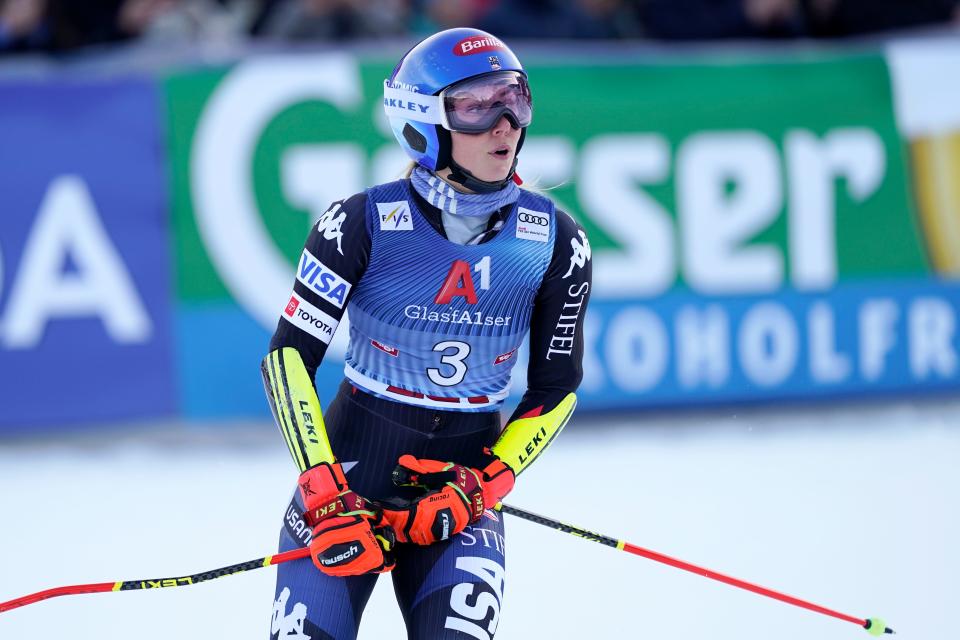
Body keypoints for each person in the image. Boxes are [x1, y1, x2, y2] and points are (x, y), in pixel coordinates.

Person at [260, 27, 592, 640]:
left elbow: (556, 389)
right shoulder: (357, 222)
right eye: (475, 106)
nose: (504, 125)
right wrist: (323, 490)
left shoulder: (557, 242)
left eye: (514, 99)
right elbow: (287, 362)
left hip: (459, 506)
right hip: (344, 490)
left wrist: (484, 485)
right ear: (423, 123)